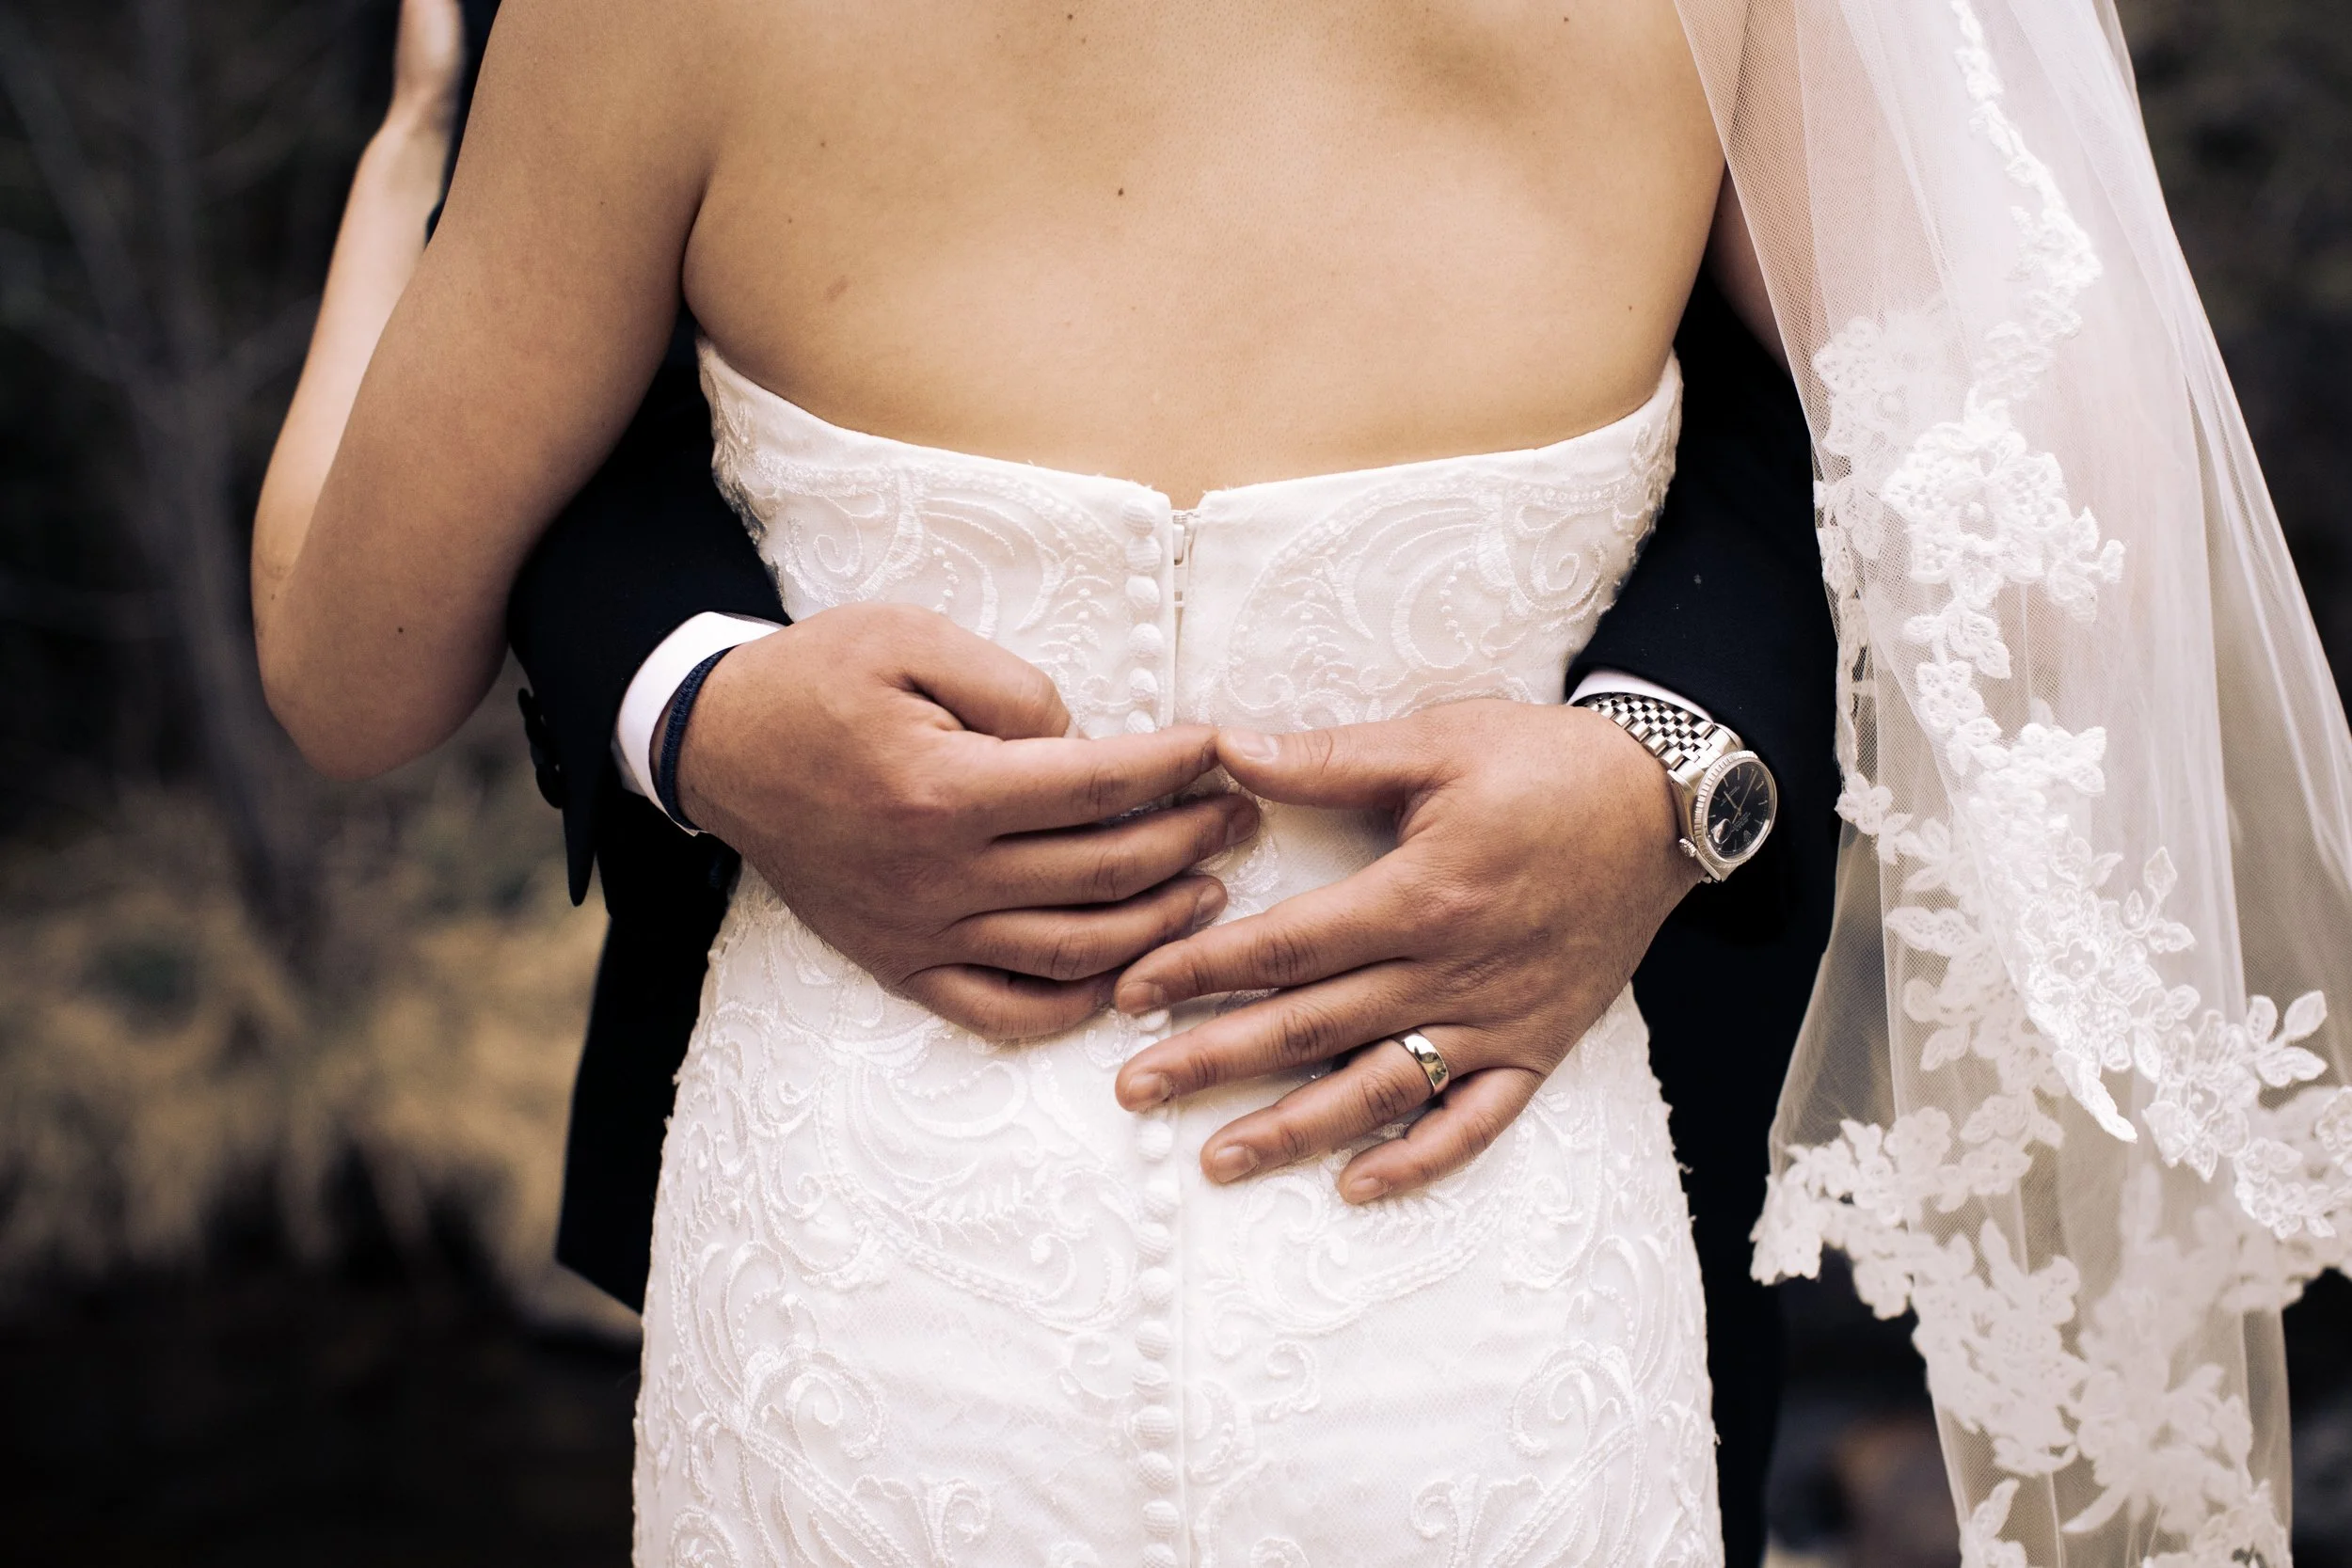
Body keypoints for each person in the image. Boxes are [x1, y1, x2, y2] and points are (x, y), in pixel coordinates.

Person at [260, 0, 2352, 1564]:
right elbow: (2080, 551)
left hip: (878, 1307)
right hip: (1471, 1264)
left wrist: (408, 164)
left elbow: (346, 669)